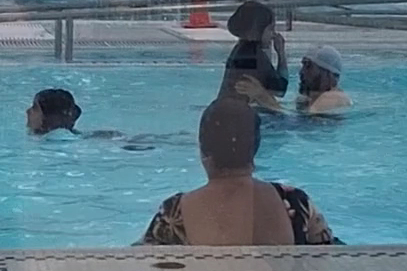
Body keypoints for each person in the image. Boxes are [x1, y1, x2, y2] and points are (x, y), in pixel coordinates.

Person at [142, 100, 337, 247]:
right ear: (255, 149)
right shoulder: (296, 203)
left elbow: (139, 266)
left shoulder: (174, 213)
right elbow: (333, 257)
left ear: (203, 151)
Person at [220, 0, 288, 110]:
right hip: (240, 113)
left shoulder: (240, 50)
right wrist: (281, 54)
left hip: (225, 109)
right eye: (271, 29)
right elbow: (280, 90)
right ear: (257, 30)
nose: (273, 34)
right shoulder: (256, 56)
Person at [297, 45, 351, 116]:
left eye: (308, 66)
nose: (301, 72)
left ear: (327, 73)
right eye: (303, 65)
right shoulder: (307, 100)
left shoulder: (332, 98)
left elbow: (309, 121)